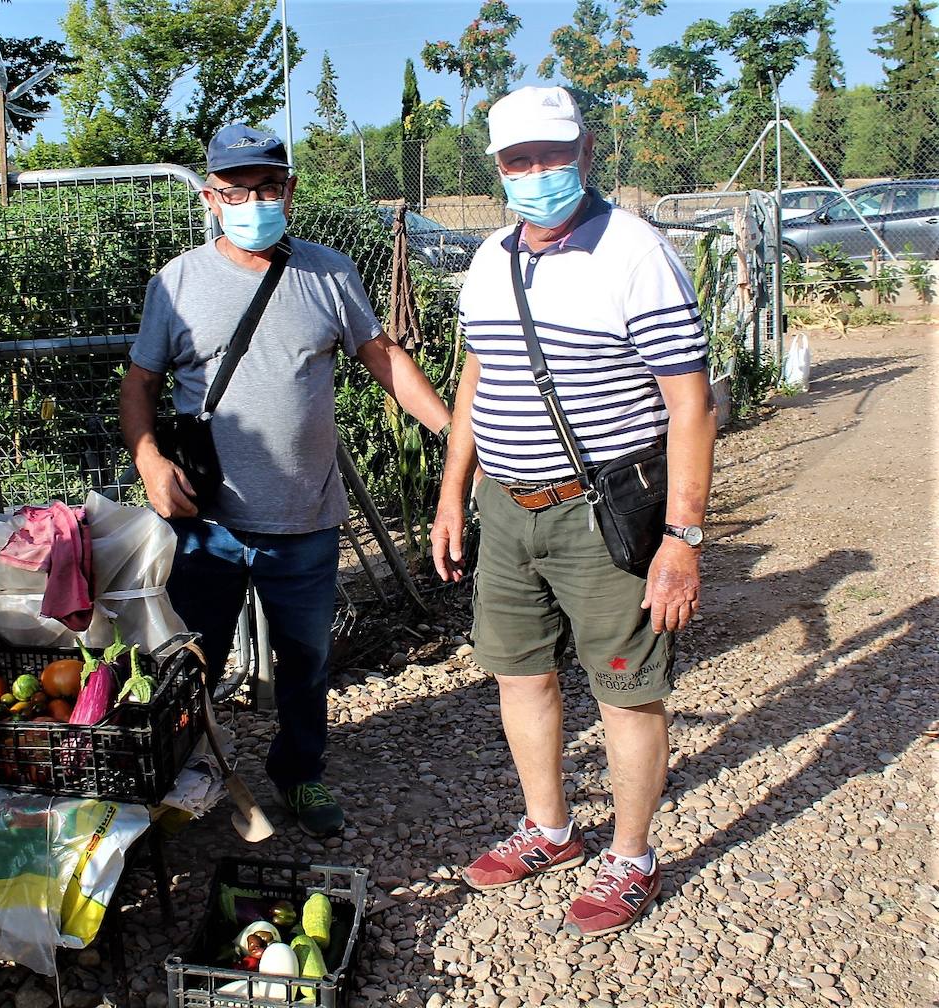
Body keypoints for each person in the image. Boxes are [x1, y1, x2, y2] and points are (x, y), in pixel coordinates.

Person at [430, 86, 716, 936]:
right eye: (519, 160)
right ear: (498, 169)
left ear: (585, 152)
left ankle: (633, 858)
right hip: (507, 510)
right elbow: (477, 380)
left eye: (552, 155)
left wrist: (683, 539)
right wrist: (453, 494)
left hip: (602, 514)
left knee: (627, 691)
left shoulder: (635, 254)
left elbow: (690, 406)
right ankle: (549, 830)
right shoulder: (490, 259)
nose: (536, 173)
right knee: (521, 675)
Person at [120, 123, 452, 837]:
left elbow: (381, 355)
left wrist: (452, 431)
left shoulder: (328, 272)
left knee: (306, 662)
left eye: (268, 188)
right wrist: (150, 460)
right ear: (211, 198)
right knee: (189, 662)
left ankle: (299, 773)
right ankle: (179, 775)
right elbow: (140, 383)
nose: (254, 202)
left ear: (289, 193)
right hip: (206, 520)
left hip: (305, 513)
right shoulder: (176, 284)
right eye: (238, 191)